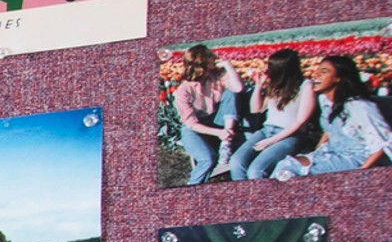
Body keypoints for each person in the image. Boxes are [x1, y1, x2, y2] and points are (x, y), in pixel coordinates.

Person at [288, 54, 392, 174]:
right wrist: (316, 153)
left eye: (324, 71)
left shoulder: (359, 106)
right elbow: (331, 129)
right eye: (317, 71)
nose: (315, 75)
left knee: (292, 168)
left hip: (359, 159)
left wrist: (360, 175)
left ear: (339, 78)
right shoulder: (326, 101)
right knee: (287, 165)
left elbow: (381, 144)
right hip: (335, 153)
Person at [232, 46, 321, 178]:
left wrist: (272, 141)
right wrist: (258, 86)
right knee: (236, 162)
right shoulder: (276, 85)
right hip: (267, 130)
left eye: (271, 68)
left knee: (256, 170)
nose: (268, 71)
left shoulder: (306, 85)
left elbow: (301, 120)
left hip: (290, 135)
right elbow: (256, 109)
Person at [164, 45, 233, 184]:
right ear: (201, 63)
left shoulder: (217, 76)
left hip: (215, 121)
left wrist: (228, 66)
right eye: (210, 56)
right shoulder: (183, 91)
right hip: (194, 129)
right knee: (207, 159)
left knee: (232, 94)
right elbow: (192, 124)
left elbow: (238, 88)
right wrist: (219, 133)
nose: (214, 58)